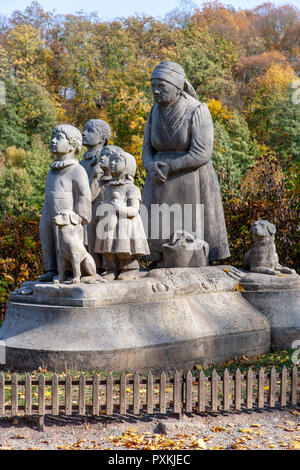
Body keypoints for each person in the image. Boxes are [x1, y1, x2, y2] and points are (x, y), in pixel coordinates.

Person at [142, 61, 230, 265]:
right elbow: (146, 149)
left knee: (190, 226)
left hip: (190, 177)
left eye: (161, 86)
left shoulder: (197, 110)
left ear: (177, 87)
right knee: (158, 223)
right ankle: (158, 258)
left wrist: (171, 166)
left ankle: (193, 259)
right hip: (158, 179)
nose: (155, 91)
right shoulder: (154, 112)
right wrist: (150, 165)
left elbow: (202, 153)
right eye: (153, 86)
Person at [39, 124, 91, 282]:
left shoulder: (77, 170)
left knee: (64, 243)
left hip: (67, 218)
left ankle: (69, 272)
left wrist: (79, 217)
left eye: (59, 138)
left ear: (73, 145)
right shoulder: (51, 171)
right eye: (52, 138)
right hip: (49, 213)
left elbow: (84, 195)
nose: (53, 141)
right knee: (48, 237)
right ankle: (51, 269)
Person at [94, 145, 150, 280]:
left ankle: (129, 268)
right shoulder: (107, 188)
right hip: (108, 225)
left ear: (127, 166)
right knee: (107, 249)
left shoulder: (132, 188)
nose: (112, 163)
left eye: (117, 161)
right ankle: (111, 268)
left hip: (125, 225)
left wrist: (120, 208)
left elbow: (134, 210)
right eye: (111, 160)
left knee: (124, 248)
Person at [80, 119, 111, 269]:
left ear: (102, 138)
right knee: (88, 238)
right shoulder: (81, 162)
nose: (83, 133)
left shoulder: (107, 159)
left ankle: (104, 267)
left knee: (102, 237)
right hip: (85, 206)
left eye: (90, 130)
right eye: (84, 129)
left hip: (102, 204)